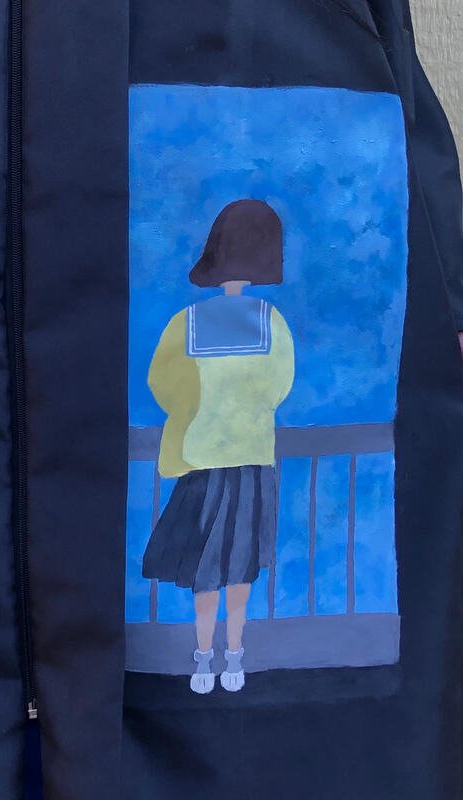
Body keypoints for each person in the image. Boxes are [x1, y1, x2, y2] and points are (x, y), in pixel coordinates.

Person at [142, 199, 295, 694]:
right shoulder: (271, 321)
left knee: (205, 569)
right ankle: (235, 656)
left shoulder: (186, 322)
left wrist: (196, 411)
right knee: (240, 568)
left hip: (200, 458)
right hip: (252, 459)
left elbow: (161, 383)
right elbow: (280, 386)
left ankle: (203, 659)